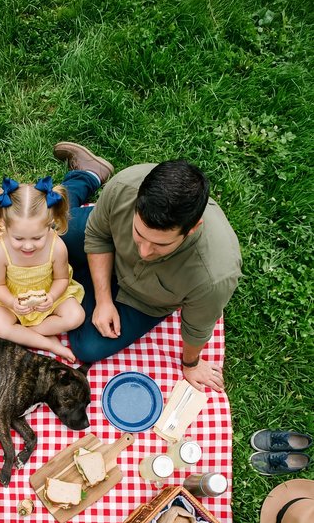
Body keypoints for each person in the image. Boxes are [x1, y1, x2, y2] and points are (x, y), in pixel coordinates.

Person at [52, 142, 242, 392]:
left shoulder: (214, 275)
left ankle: (76, 272)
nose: (144, 252)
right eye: (139, 235)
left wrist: (191, 363)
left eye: (160, 245)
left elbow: (196, 328)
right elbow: (98, 236)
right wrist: (103, 300)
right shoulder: (124, 187)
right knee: (46, 233)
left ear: (192, 229)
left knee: (88, 347)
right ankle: (87, 175)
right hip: (107, 248)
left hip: (143, 300)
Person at [0, 176, 85, 363]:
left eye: (37, 238)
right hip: (12, 296)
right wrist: (11, 302)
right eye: (19, 239)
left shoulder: (57, 247)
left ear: (50, 225)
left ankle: (27, 334)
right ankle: (48, 344)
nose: (28, 246)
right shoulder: (0, 251)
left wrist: (53, 297)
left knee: (76, 316)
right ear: (5, 226)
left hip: (48, 292)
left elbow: (62, 279)